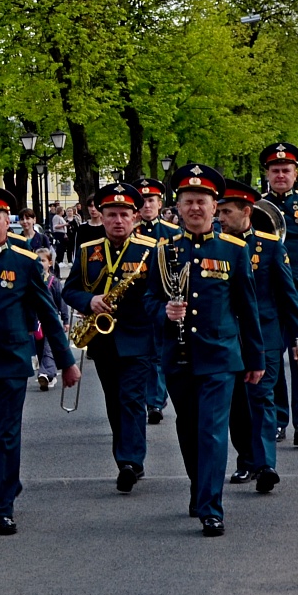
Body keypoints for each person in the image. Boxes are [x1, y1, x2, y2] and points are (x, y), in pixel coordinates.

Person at [0, 186, 76, 535]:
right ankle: (8, 479)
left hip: (12, 360)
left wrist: (66, 362)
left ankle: (1, 507)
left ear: (9, 222)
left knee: (6, 433)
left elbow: (49, 315)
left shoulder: (24, 261)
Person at [144, 165, 262, 537]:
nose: (195, 208)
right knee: (189, 427)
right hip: (178, 357)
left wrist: (255, 358)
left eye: (203, 202)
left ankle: (212, 507)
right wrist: (163, 311)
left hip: (220, 356)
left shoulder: (234, 250)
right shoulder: (164, 252)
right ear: (177, 208)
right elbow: (147, 300)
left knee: (212, 430)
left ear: (215, 208)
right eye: (188, 202)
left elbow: (247, 308)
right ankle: (199, 488)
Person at [62, 184, 157, 492]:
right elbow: (70, 290)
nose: (118, 220)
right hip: (102, 340)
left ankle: (131, 461)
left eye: (124, 215)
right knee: (114, 402)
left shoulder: (150, 251)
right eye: (111, 215)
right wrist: (89, 301)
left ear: (135, 218)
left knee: (131, 398)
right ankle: (126, 459)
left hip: (138, 337)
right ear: (101, 218)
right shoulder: (89, 251)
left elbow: (159, 293)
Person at [217, 179, 298, 495]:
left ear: (246, 212)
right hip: (227, 338)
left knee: (262, 399)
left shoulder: (269, 247)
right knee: (237, 405)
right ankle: (247, 460)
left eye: (226, 211)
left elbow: (288, 298)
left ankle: (266, 465)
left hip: (265, 337)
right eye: (219, 211)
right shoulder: (215, 247)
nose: (221, 218)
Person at [260, 142, 298, 448]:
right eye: (275, 170)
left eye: (286, 170)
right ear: (267, 173)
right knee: (270, 358)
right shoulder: (256, 206)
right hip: (267, 294)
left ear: (295, 173)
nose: (280, 175)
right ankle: (277, 420)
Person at [134, 177, 182, 425]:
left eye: (151, 200)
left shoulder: (173, 233)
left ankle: (155, 401)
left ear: (160, 202)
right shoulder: (131, 232)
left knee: (158, 352)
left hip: (162, 300)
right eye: (142, 201)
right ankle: (147, 397)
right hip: (136, 301)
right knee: (142, 353)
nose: (146, 205)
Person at [33, 248, 69, 390]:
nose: (40, 263)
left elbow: (61, 301)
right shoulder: (33, 281)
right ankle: (50, 375)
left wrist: (65, 320)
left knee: (48, 348)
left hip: (51, 320)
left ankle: (45, 373)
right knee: (40, 348)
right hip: (37, 322)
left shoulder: (54, 282)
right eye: (38, 260)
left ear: (50, 263)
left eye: (42, 260)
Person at [69, 197, 104, 263]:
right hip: (86, 266)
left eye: (96, 206)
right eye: (90, 206)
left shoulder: (107, 227)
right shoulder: (82, 228)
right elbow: (77, 250)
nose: (93, 209)